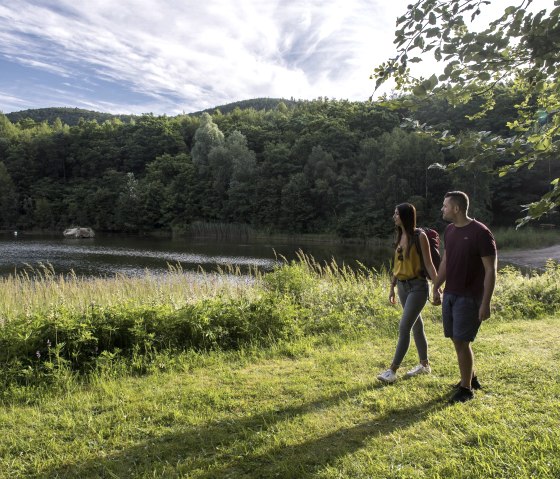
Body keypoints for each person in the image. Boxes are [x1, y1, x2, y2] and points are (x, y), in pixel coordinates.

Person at [432, 191, 497, 403]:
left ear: (456, 208)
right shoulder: (449, 231)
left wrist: (485, 303)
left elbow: (490, 270)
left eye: (445, 206)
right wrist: (436, 286)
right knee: (455, 339)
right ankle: (470, 377)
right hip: (450, 293)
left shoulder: (481, 233)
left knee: (462, 340)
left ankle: (466, 389)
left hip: (470, 298)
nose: (442, 209)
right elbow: (445, 262)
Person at [377, 203, 441, 383]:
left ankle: (392, 370)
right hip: (402, 287)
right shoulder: (399, 236)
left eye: (396, 214)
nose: (393, 217)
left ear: (405, 216)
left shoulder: (419, 236)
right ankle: (424, 365)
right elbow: (397, 266)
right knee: (416, 325)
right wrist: (392, 286)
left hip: (418, 287)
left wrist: (436, 287)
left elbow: (429, 264)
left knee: (404, 327)